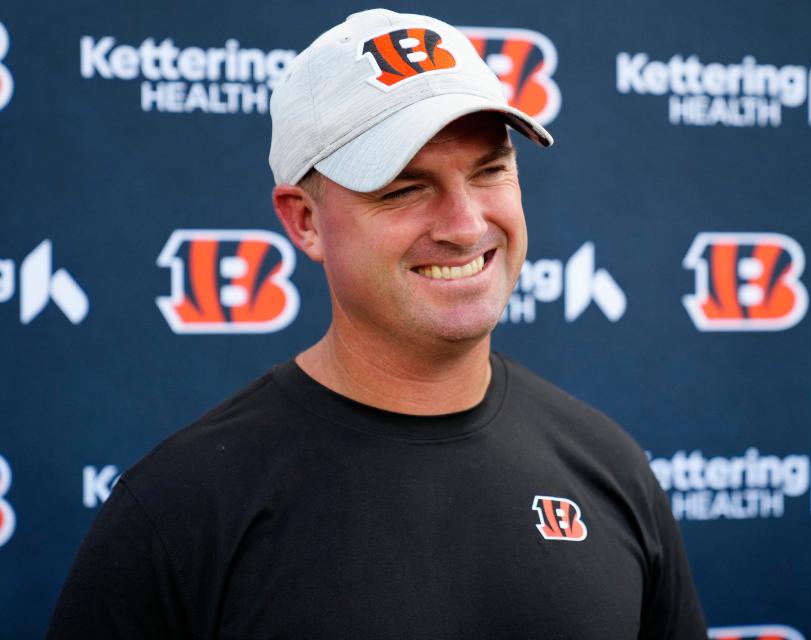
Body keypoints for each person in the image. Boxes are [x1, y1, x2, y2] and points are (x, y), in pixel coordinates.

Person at [47, 9, 706, 639]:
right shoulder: (180, 511)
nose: (466, 225)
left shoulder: (607, 465)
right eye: (403, 189)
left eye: (490, 171)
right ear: (303, 220)